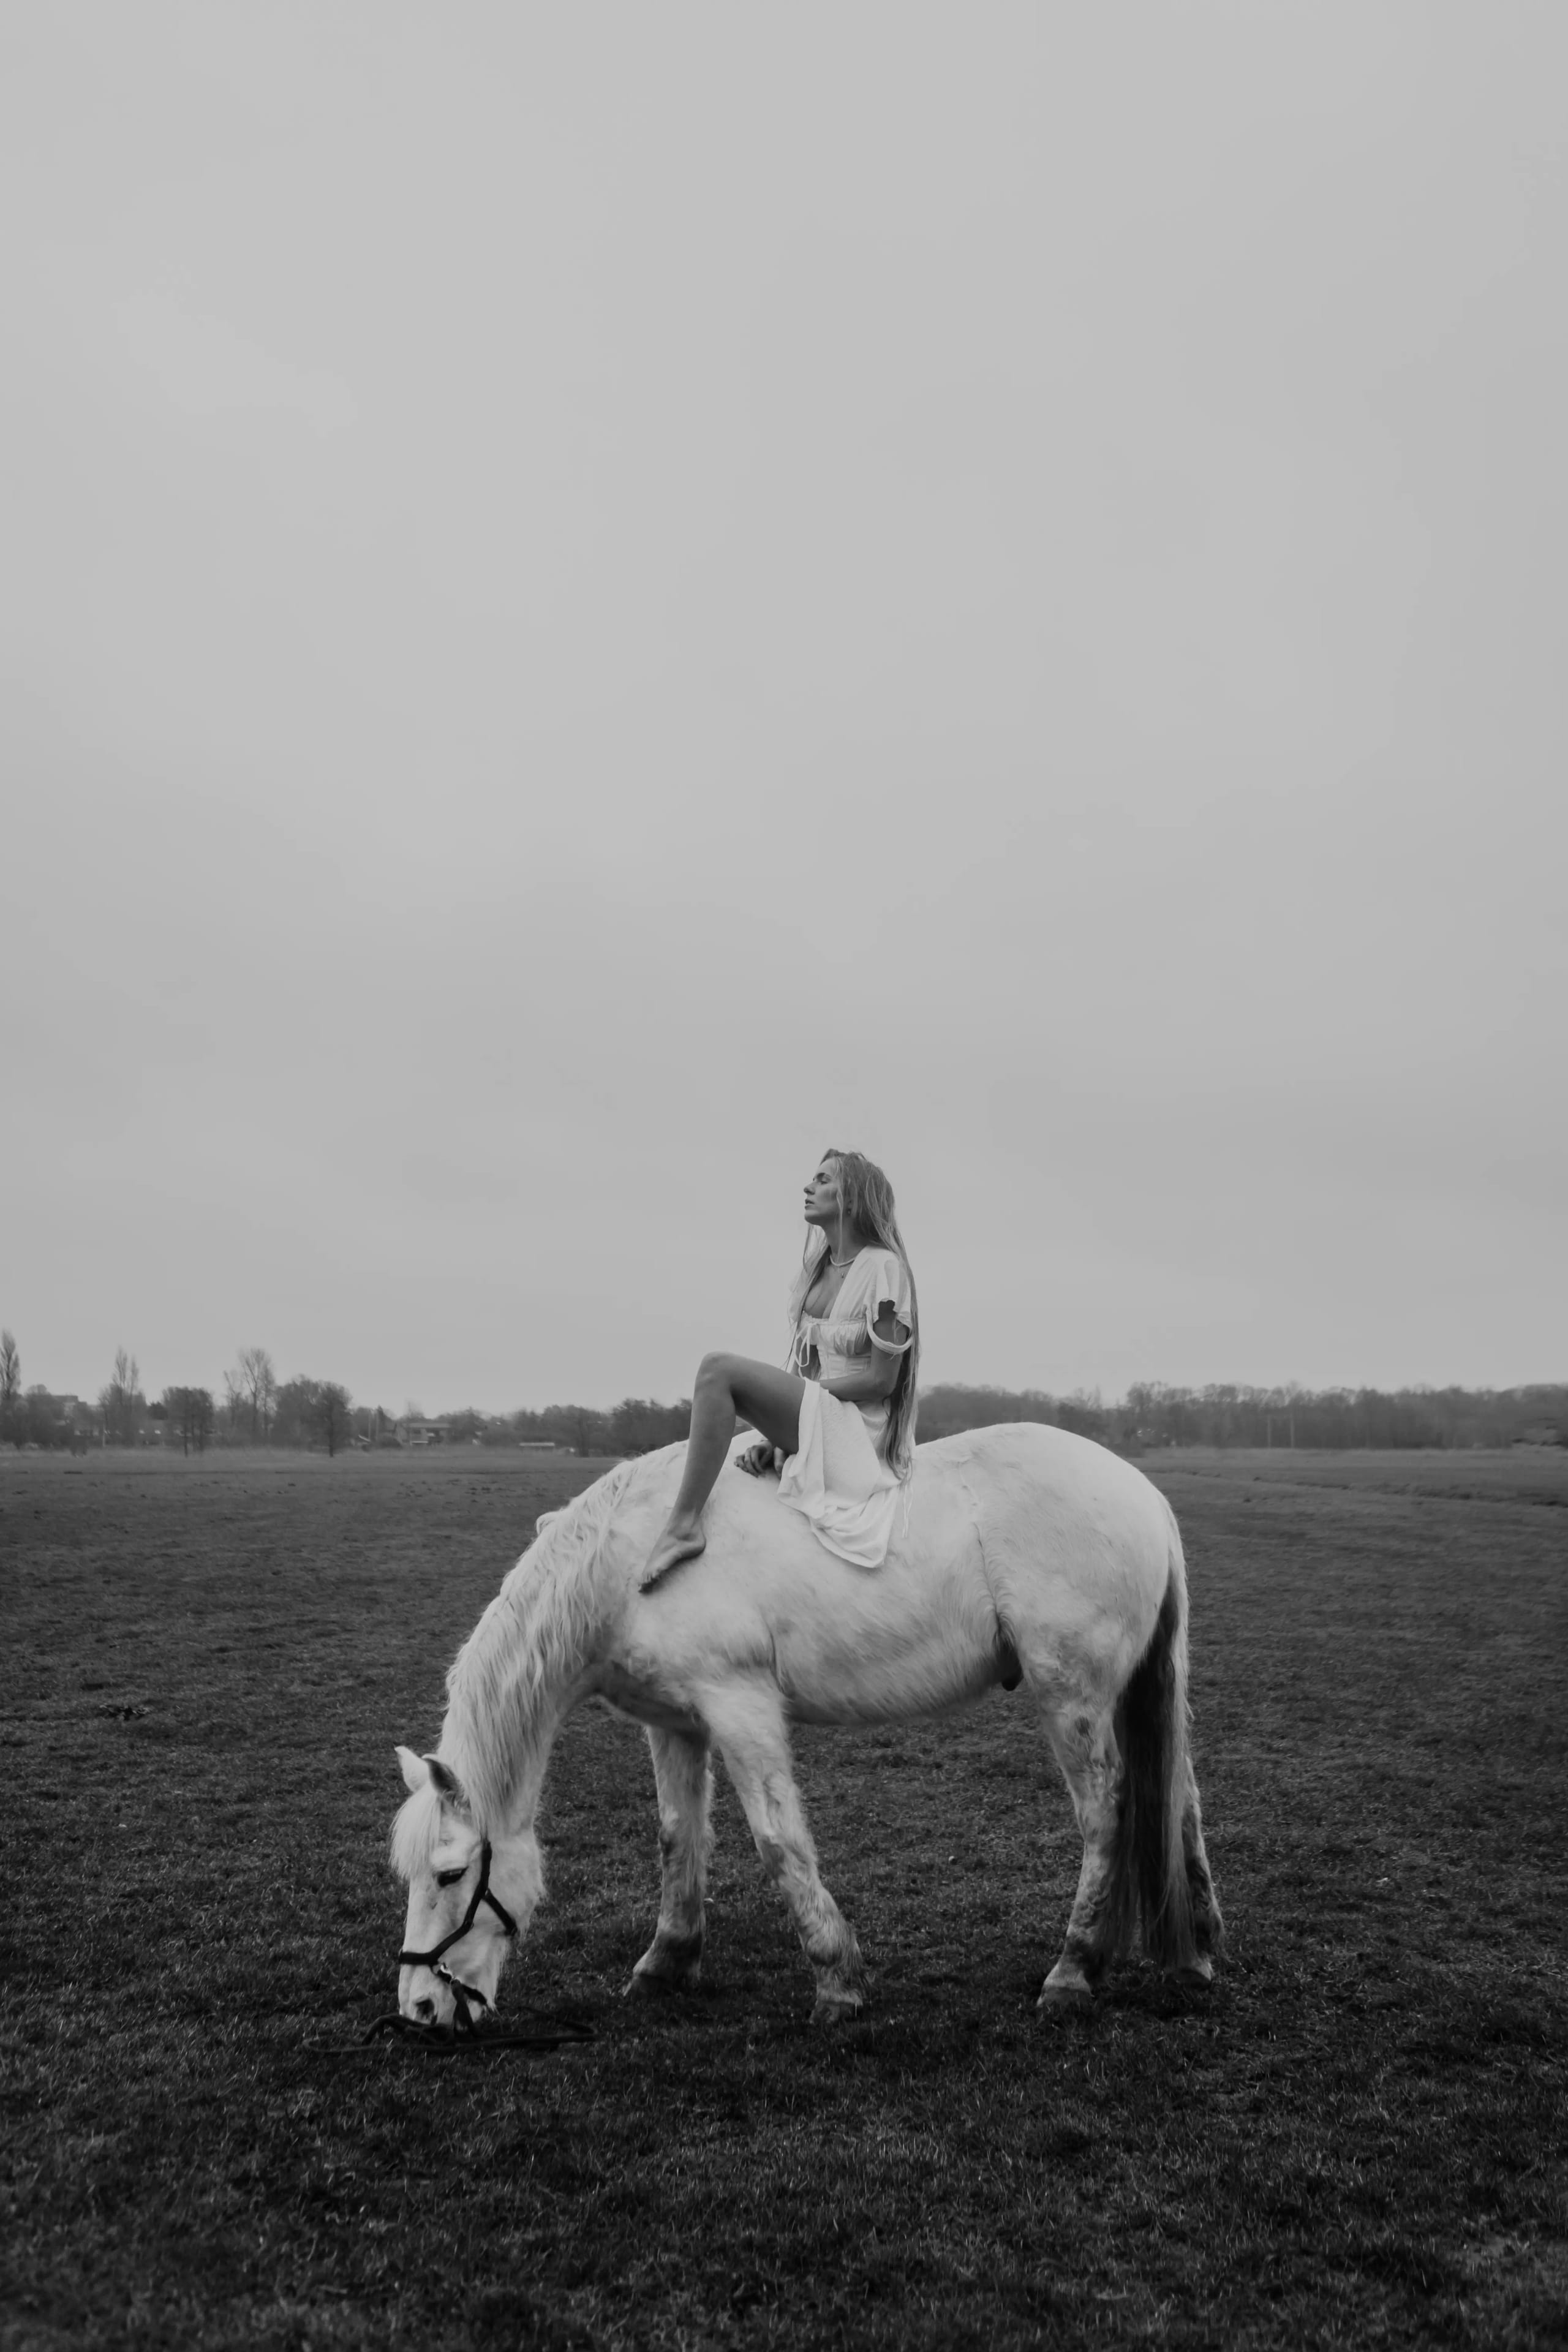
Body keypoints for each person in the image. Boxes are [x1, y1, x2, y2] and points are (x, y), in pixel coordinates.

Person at [639, 1150, 919, 1589]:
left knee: (717, 1371)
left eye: (823, 1180)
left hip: (860, 1432)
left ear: (851, 1199)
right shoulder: (815, 1273)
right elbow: (803, 1376)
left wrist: (806, 1405)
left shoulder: (884, 1268)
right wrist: (782, 1436)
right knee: (730, 1411)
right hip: (823, 1414)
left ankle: (684, 1525)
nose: (808, 1187)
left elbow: (882, 1381)